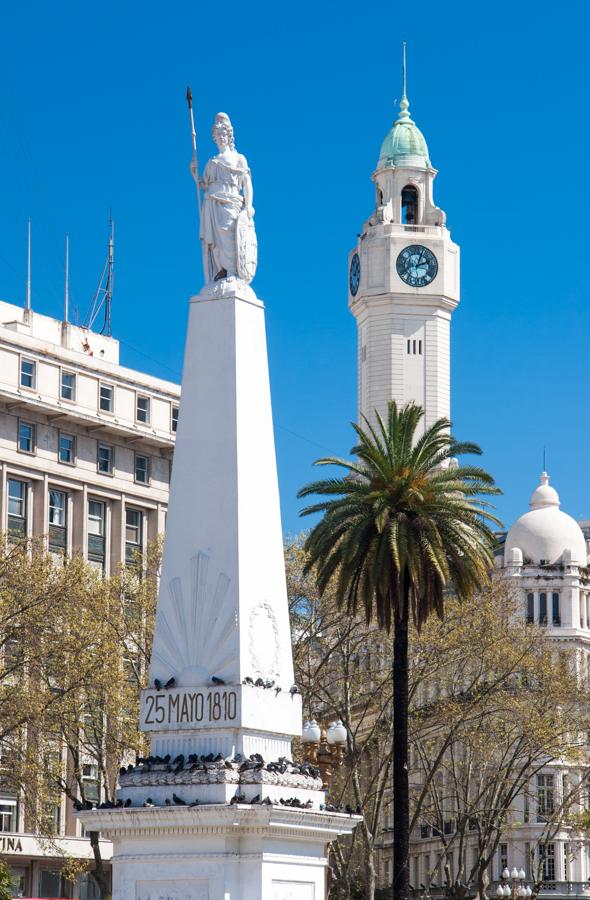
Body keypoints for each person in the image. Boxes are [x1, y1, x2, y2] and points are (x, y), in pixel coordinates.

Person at [191, 112, 255, 283]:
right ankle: (221, 271)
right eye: (217, 135)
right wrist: (194, 172)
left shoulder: (238, 158)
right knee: (216, 244)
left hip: (231, 202)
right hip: (212, 203)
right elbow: (203, 185)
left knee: (230, 238)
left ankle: (233, 271)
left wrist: (249, 205)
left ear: (229, 135)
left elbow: (246, 182)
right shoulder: (212, 162)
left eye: (223, 134)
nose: (220, 137)